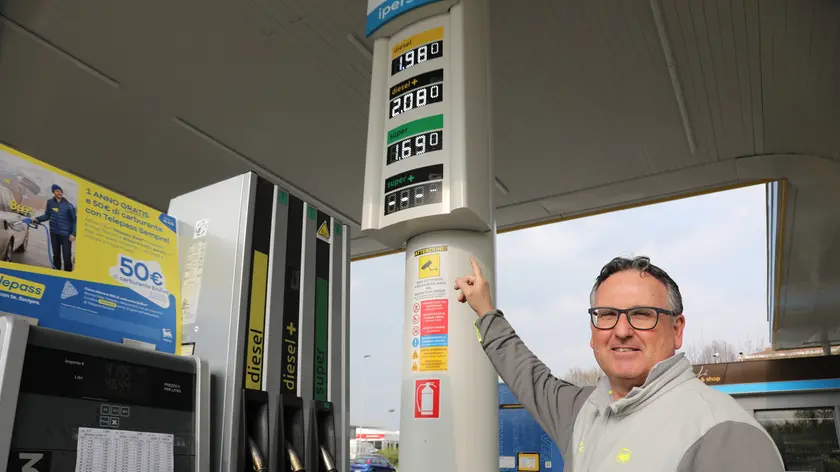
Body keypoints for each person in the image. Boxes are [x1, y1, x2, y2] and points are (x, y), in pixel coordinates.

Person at [454, 255, 784, 471]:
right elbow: (527, 375)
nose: (622, 331)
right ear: (593, 332)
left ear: (677, 330)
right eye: (607, 315)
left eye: (641, 314)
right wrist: (485, 311)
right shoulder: (582, 411)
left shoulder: (725, 434)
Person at [32, 184, 76, 271]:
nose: (59, 193)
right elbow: (47, 215)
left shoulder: (69, 205)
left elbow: (74, 220)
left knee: (67, 256)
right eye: (57, 191)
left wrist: (74, 233)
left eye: (61, 191)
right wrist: (37, 219)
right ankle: (56, 272)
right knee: (56, 255)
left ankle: (67, 274)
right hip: (54, 233)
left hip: (66, 235)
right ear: (53, 192)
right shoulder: (50, 202)